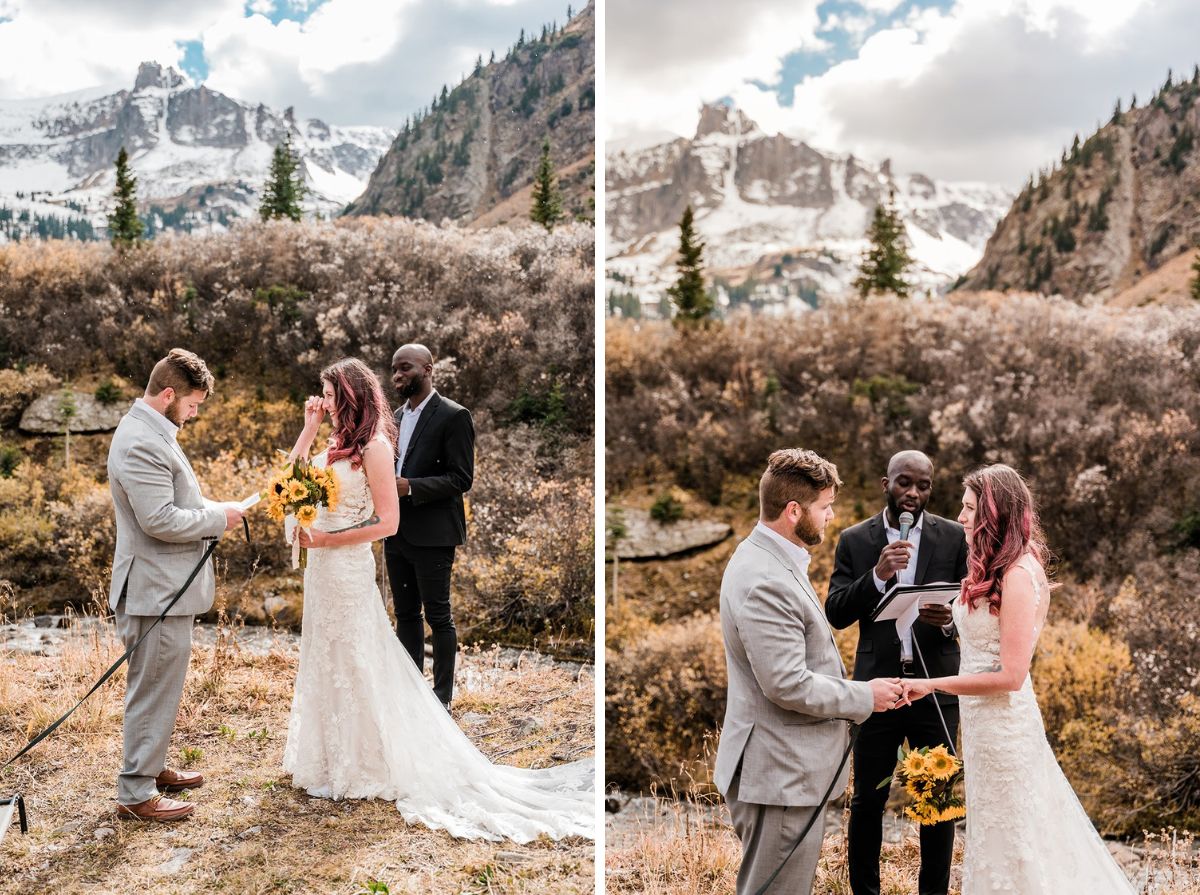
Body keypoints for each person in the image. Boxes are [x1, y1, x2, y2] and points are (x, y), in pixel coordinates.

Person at [282, 357, 591, 842]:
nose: (325, 403)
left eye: (329, 395)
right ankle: (326, 754)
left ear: (351, 395)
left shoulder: (377, 449)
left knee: (361, 657)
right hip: (321, 572)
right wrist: (308, 428)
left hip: (344, 565)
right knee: (327, 656)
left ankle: (370, 757)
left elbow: (388, 523)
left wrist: (327, 541)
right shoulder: (334, 444)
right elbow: (290, 482)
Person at [899, 465, 1135, 894]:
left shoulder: (1019, 575)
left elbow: (1010, 675)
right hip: (982, 727)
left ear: (996, 514)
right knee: (993, 836)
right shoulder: (992, 567)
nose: (961, 517)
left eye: (970, 508)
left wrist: (933, 685)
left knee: (1018, 839)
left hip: (1006, 728)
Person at [714, 448, 905, 895]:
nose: (831, 516)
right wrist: (866, 697)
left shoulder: (776, 559)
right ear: (793, 510)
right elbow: (787, 683)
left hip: (785, 773)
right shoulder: (765, 578)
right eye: (824, 507)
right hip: (779, 776)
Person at [107, 348, 245, 821]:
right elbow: (159, 519)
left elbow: (177, 498)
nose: (195, 413)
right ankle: (136, 794)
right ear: (169, 394)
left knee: (162, 683)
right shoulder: (141, 441)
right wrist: (218, 518)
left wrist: (218, 508)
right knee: (152, 687)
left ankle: (152, 766)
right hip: (154, 589)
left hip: (162, 586)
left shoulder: (152, 430)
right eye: (192, 404)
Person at [825, 450, 968, 895]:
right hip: (877, 689)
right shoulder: (854, 539)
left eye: (923, 486)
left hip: (933, 689)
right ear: (885, 483)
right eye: (905, 483)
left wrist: (948, 621)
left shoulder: (953, 537)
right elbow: (836, 611)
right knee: (868, 801)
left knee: (936, 801)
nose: (913, 494)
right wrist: (877, 576)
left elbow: (970, 607)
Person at [383, 343, 474, 709]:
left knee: (438, 615)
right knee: (405, 614)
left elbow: (461, 478)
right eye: (394, 369)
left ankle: (442, 697)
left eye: (405, 367)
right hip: (395, 530)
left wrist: (411, 487)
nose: (398, 375)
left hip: (435, 533)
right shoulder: (393, 417)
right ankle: (411, 692)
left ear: (428, 368)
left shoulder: (454, 416)